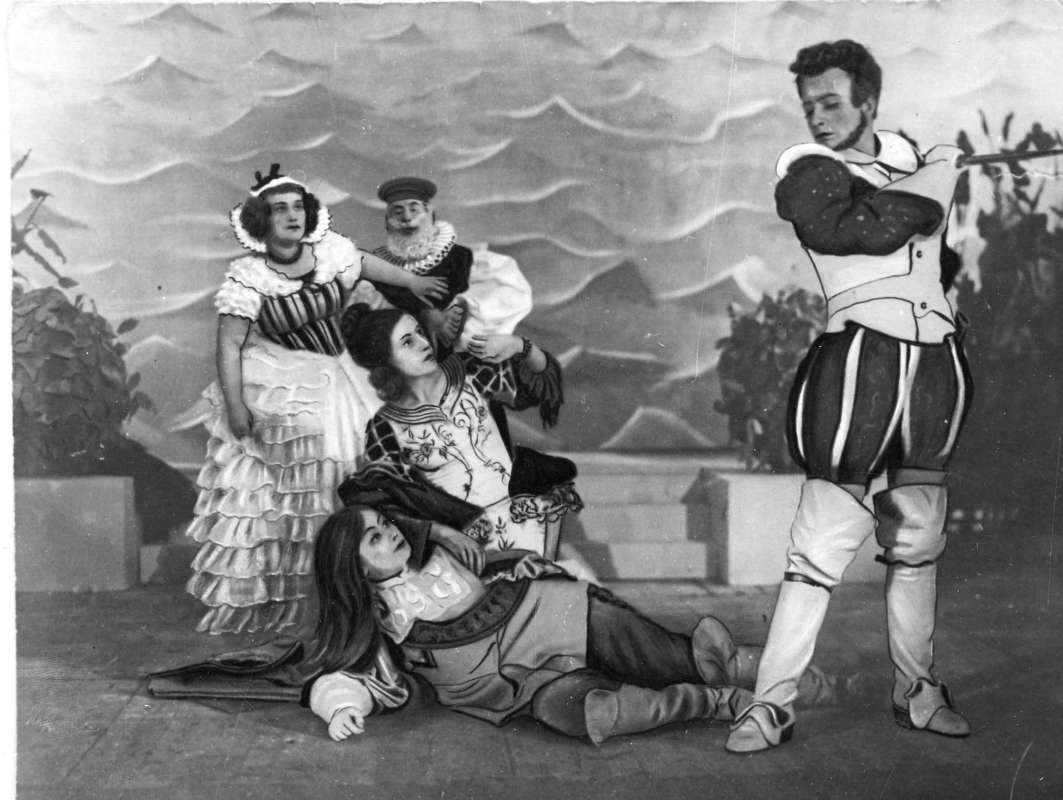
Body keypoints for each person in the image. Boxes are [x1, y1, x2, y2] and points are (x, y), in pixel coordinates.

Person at [725, 40, 974, 753]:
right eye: (809, 105)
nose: (817, 117)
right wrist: (936, 176)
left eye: (831, 103)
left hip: (933, 365)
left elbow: (937, 262)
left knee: (917, 535)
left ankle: (917, 692)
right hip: (858, 364)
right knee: (821, 541)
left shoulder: (906, 162)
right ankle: (769, 706)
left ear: (869, 102)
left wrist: (926, 173)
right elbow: (856, 230)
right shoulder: (808, 172)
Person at [305, 503, 847, 745]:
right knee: (584, 710)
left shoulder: (445, 556)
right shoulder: (381, 624)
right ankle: (715, 703)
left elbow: (499, 567)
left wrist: (519, 565)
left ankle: (788, 681)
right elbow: (348, 677)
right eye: (374, 538)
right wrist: (342, 707)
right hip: (516, 688)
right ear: (355, 569)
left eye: (386, 525)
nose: (391, 534)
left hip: (541, 615)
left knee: (656, 649)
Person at [185, 165, 449, 636]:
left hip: (340, 372)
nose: (291, 216)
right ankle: (304, 605)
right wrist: (236, 406)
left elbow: (364, 263)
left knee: (365, 466)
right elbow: (229, 345)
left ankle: (375, 590)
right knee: (302, 490)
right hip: (288, 383)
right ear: (261, 220)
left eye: (297, 208)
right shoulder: (249, 276)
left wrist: (412, 284)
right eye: (279, 209)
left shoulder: (327, 253)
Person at [337, 303, 580, 560]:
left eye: (420, 332)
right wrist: (440, 533)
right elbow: (386, 502)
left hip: (531, 517)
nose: (424, 344)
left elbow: (541, 385)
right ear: (384, 360)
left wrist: (521, 346)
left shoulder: (471, 372)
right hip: (470, 548)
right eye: (408, 342)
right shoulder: (384, 428)